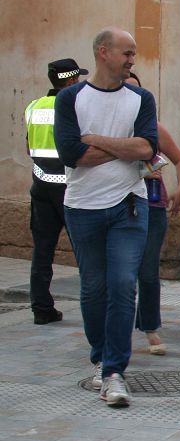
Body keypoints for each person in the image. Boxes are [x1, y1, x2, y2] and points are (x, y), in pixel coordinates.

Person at [54, 27, 158, 408]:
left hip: (129, 205)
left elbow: (148, 147)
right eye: (127, 53)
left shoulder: (141, 98)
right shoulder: (70, 99)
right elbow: (69, 153)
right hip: (82, 207)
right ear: (103, 52)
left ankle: (114, 370)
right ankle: (101, 356)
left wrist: (94, 138)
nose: (133, 59)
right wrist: (124, 147)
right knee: (93, 289)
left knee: (122, 283)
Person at [124, 72, 180, 355]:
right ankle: (118, 326)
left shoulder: (154, 128)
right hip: (121, 203)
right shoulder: (111, 129)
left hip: (152, 206)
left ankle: (150, 326)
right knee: (122, 272)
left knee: (148, 270)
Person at [25, 58, 88, 324]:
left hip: (41, 187)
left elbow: (28, 148)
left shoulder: (33, 106)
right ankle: (93, 308)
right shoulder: (75, 107)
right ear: (72, 81)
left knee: (42, 251)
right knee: (87, 252)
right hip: (71, 188)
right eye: (78, 80)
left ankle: (41, 309)